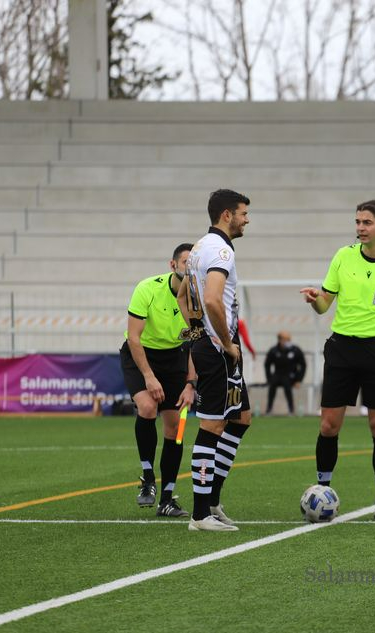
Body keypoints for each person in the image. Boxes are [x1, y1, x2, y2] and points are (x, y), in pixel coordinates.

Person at [299, 200, 375, 521]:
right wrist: (315, 300)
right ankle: (323, 492)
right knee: (328, 425)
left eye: (367, 222)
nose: (360, 228)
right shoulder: (343, 256)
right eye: (358, 222)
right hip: (342, 350)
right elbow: (325, 306)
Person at [177, 188, 254, 532]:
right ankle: (199, 515)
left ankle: (212, 501)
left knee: (241, 418)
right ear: (227, 215)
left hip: (211, 345)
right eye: (243, 213)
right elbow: (211, 300)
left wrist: (194, 328)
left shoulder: (197, 249)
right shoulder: (220, 250)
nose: (246, 220)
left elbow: (182, 294)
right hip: (219, 350)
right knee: (212, 425)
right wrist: (224, 341)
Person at [120, 243, 197, 518]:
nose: (190, 266)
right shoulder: (147, 288)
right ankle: (148, 477)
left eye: (194, 262)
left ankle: (167, 498)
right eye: (186, 261)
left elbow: (193, 345)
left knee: (176, 426)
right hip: (141, 356)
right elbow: (134, 338)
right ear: (173, 265)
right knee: (148, 407)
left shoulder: (197, 299)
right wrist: (149, 377)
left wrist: (191, 383)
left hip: (175, 358)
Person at [264, 331, 307, 415]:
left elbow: (303, 365)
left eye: (289, 339)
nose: (288, 341)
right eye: (286, 339)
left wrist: (299, 380)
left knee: (287, 386)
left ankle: (291, 410)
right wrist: (269, 378)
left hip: (290, 375)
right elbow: (267, 364)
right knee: (272, 385)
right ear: (280, 340)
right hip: (277, 373)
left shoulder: (295, 350)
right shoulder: (273, 350)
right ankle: (269, 409)